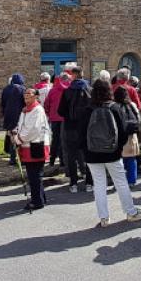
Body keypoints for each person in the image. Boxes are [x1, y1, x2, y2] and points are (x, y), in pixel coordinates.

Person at [84, 79, 141, 227]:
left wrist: (85, 150)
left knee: (99, 185)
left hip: (92, 153)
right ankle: (131, 212)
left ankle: (104, 217)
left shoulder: (87, 110)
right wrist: (118, 148)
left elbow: (81, 133)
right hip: (112, 152)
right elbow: (123, 131)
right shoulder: (114, 108)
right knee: (121, 182)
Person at [13, 88, 50, 210]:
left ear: (35, 96)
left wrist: (18, 139)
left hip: (36, 145)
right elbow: (21, 125)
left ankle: (37, 201)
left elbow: (33, 129)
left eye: (29, 93)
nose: (26, 95)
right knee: (33, 175)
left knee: (35, 176)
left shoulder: (37, 110)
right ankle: (40, 197)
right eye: (25, 94)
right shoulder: (25, 110)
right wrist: (16, 132)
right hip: (27, 146)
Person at [58, 65, 92, 193]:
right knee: (88, 155)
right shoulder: (90, 89)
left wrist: (68, 116)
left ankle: (73, 183)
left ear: (73, 75)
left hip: (70, 127)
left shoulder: (67, 91)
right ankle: (89, 183)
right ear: (82, 74)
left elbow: (60, 110)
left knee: (71, 156)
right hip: (87, 127)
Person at [113, 86, 141, 186]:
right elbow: (138, 119)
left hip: (119, 137)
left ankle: (120, 182)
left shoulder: (114, 106)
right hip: (132, 136)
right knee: (131, 160)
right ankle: (132, 180)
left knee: (119, 161)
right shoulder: (132, 105)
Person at [43, 71, 70, 167]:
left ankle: (52, 160)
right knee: (64, 140)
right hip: (65, 118)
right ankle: (63, 161)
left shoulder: (53, 90)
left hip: (54, 118)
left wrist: (49, 113)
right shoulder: (69, 89)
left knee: (55, 139)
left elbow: (46, 104)